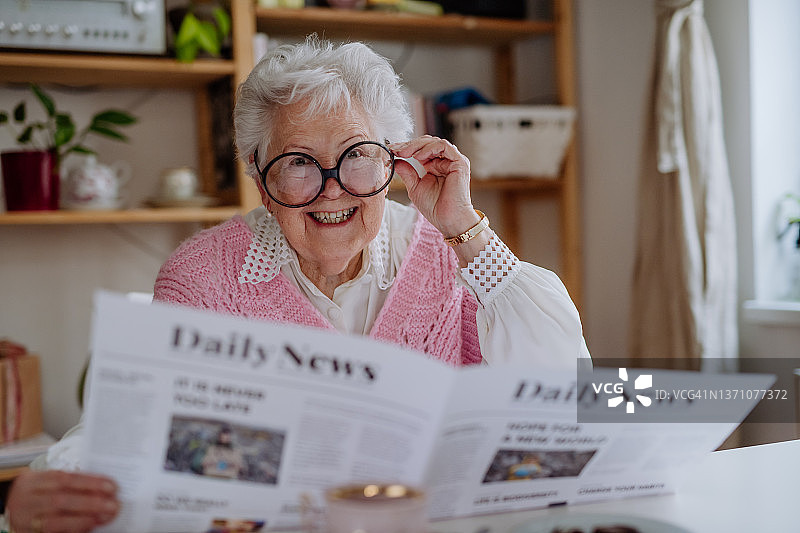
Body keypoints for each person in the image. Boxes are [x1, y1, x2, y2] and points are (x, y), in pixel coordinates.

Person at [5, 37, 590, 532]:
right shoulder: (202, 277)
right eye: (298, 163)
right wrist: (46, 493)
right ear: (260, 181)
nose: (331, 189)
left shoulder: (447, 247)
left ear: (393, 165)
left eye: (357, 156)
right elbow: (145, 427)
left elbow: (561, 387)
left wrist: (465, 229)